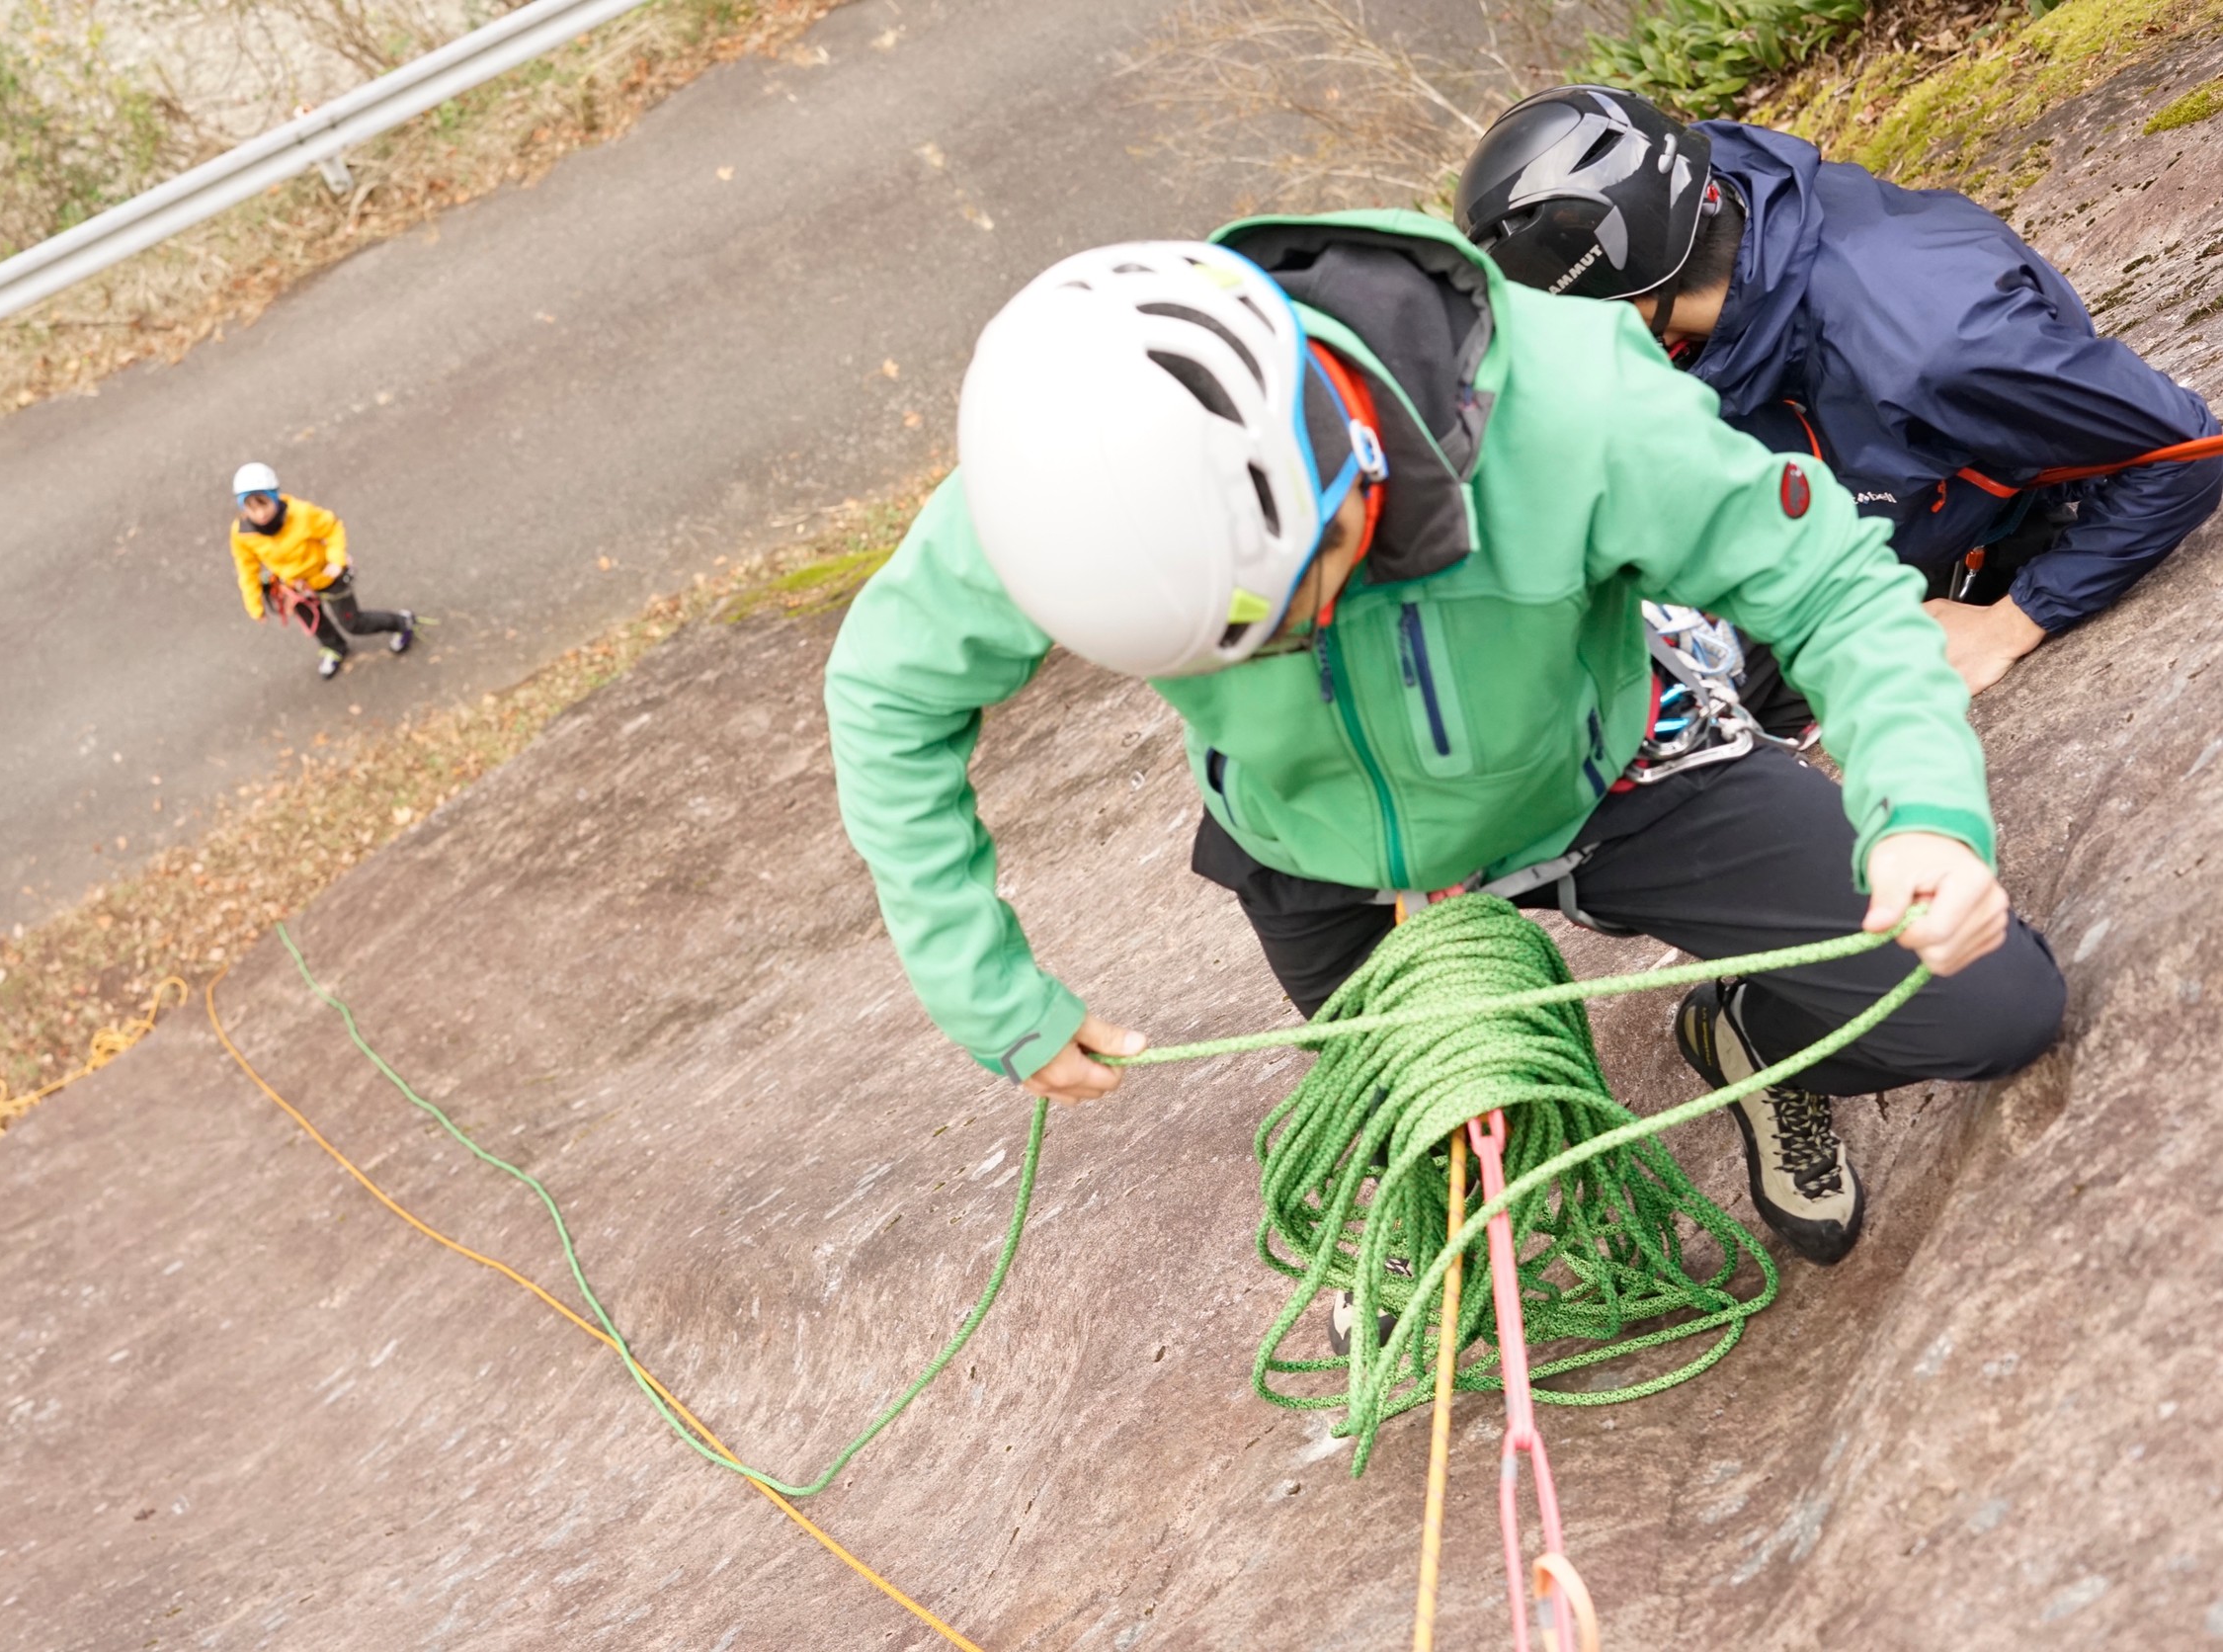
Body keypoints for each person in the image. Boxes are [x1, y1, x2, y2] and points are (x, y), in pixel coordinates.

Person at [824, 218, 2066, 1298]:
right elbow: (886, 693)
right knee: (1448, 1162)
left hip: (1607, 767)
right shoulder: (1066, 482)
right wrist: (989, 993)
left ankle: (1747, 1030)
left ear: (1344, 466)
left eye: (1273, 622)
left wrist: (1923, 812)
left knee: (1991, 1006)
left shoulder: (1568, 403)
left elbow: (1828, 586)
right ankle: (1435, 1214)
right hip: (1319, 846)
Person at [1452, 84, 2222, 710]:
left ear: (1624, 299)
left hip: (1974, 506)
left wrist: (2013, 621)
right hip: (1837, 462)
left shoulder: (1936, 345)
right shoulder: (1734, 199)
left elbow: (2184, 451)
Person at [228, 461, 415, 681]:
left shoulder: (301, 514)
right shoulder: (242, 534)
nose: (260, 514)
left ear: (275, 496)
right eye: (251, 508)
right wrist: (254, 605)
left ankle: (401, 622)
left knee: (353, 623)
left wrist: (336, 560)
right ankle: (335, 648)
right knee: (315, 623)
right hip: (294, 587)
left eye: (264, 503)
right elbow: (247, 569)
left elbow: (333, 527)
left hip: (327, 576)